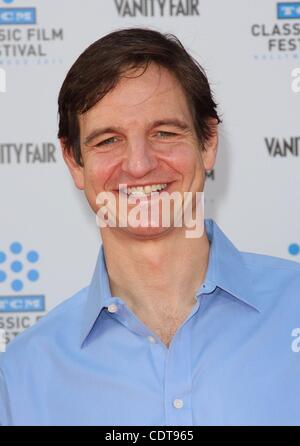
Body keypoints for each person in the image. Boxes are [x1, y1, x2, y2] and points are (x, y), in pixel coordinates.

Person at [0, 28, 300, 426]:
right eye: (108, 140)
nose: (139, 164)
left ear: (208, 142)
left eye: (164, 133)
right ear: (74, 161)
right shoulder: (21, 377)